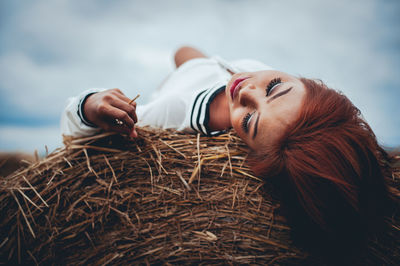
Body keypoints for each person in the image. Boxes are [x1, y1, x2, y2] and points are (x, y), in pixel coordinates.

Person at [61, 46, 394, 260]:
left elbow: (74, 133)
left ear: (251, 150)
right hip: (221, 62)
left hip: (186, 81)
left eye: (249, 121)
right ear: (313, 85)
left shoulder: (173, 110)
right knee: (187, 50)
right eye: (275, 88)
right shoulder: (254, 75)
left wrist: (91, 106)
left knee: (182, 56)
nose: (248, 91)